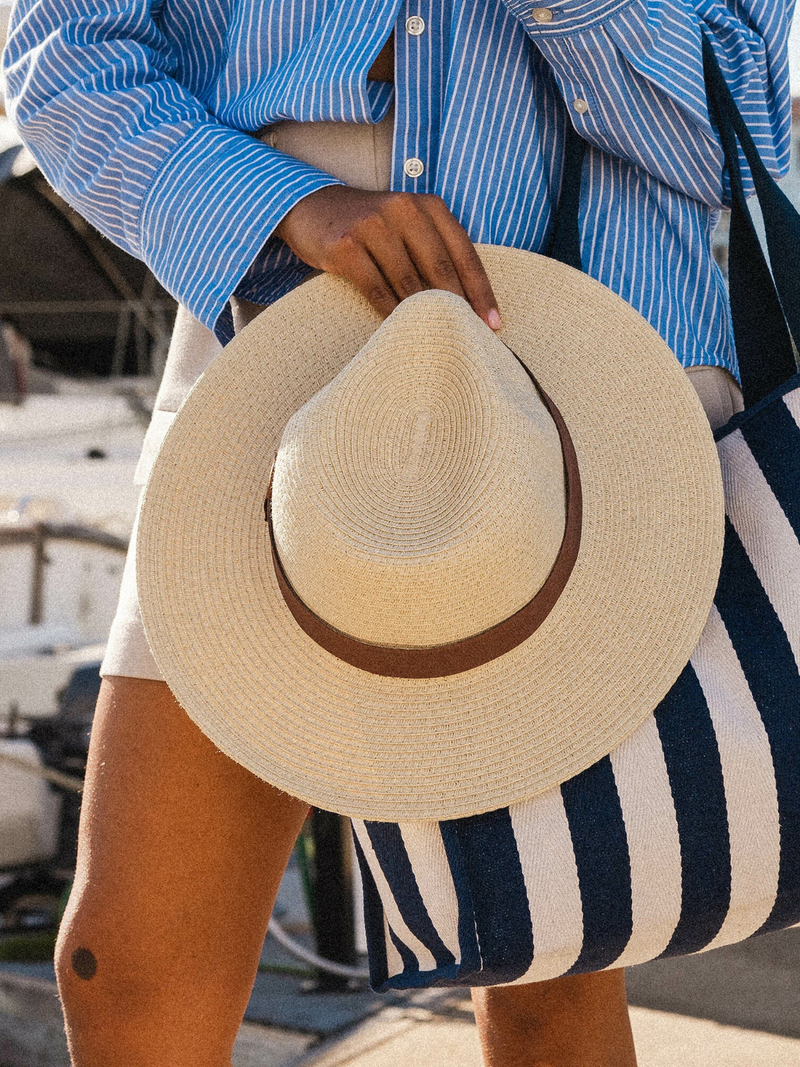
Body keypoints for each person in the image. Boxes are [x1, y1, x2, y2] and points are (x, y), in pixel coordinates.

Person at [1, 2, 793, 1064]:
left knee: (540, 970)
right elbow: (61, 56)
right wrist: (281, 203)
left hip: (574, 380)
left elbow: (732, 121)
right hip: (269, 309)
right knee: (123, 965)